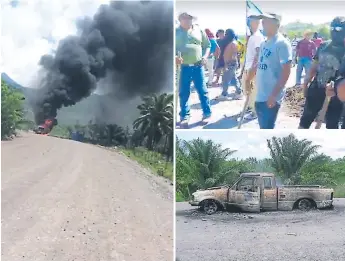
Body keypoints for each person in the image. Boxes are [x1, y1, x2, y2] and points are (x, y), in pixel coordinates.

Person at [299, 16, 345, 129]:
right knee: (305, 121)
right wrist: (305, 85)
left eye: (339, 29)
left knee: (332, 126)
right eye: (333, 28)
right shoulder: (323, 46)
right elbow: (313, 67)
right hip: (316, 89)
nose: (335, 31)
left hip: (335, 95)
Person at [252, 13, 292, 129]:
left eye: (266, 22)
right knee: (263, 128)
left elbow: (286, 72)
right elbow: (260, 65)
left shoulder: (282, 43)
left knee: (266, 130)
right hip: (260, 94)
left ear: (276, 24)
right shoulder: (263, 43)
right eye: (262, 21)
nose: (262, 24)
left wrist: (274, 95)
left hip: (271, 96)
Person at [175, 12, 212, 125]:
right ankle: (184, 116)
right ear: (180, 19)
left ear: (192, 19)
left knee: (203, 91)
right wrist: (175, 57)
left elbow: (207, 46)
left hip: (198, 66)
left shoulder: (199, 30)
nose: (186, 20)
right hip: (183, 67)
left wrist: (205, 57)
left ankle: (207, 114)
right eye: (184, 18)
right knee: (184, 92)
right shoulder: (175, 32)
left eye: (189, 18)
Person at [242, 15, 265, 120]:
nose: (249, 23)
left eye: (250, 21)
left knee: (254, 91)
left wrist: (252, 71)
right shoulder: (253, 36)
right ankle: (251, 108)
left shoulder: (257, 37)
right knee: (248, 90)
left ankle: (255, 112)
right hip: (248, 67)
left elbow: (258, 54)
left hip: (253, 69)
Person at [217, 29, 242, 100]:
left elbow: (234, 55)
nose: (225, 35)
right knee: (233, 79)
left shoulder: (233, 43)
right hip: (230, 64)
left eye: (226, 34)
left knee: (225, 79)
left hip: (230, 64)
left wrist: (227, 65)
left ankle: (224, 94)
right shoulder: (231, 42)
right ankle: (239, 92)